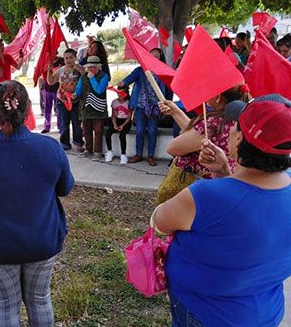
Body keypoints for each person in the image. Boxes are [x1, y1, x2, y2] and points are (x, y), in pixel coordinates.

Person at [152, 94, 291, 326]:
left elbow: (159, 221)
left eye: (236, 126)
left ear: (238, 140)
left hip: (205, 312)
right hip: (265, 311)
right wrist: (224, 172)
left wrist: (221, 181)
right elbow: (249, 207)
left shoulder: (206, 196)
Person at [0, 81, 75, 327]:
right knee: (40, 300)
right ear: (28, 107)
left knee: (5, 305)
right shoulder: (50, 147)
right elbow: (65, 188)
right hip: (43, 242)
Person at [156, 84, 250, 204]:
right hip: (222, 183)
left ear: (218, 97)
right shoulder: (234, 118)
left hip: (195, 186)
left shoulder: (213, 123)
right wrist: (176, 112)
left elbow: (172, 148)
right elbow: (195, 134)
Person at [119, 47, 166, 166]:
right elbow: (129, 78)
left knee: (152, 131)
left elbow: (166, 91)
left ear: (160, 58)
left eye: (157, 55)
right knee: (139, 131)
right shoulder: (140, 70)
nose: (154, 57)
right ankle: (138, 154)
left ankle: (151, 156)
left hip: (155, 107)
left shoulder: (161, 72)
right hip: (140, 106)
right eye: (152, 55)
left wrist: (166, 104)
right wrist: (123, 83)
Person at [46, 48, 84, 151]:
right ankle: (65, 143)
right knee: (64, 123)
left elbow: (87, 78)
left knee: (76, 123)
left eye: (71, 57)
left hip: (75, 100)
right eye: (66, 58)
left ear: (75, 58)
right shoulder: (61, 70)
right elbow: (51, 82)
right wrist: (49, 72)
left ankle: (78, 142)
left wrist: (80, 69)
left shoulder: (79, 69)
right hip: (62, 100)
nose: (69, 60)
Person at [75, 55, 109, 160]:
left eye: (93, 67)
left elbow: (99, 90)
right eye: (89, 67)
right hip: (85, 108)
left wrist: (93, 79)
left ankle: (97, 152)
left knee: (98, 130)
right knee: (86, 130)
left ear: (98, 67)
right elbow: (78, 90)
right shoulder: (83, 77)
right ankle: (88, 149)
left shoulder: (104, 76)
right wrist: (75, 94)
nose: (90, 69)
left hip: (98, 108)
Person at [105, 86, 131, 164]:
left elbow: (129, 117)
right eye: (118, 93)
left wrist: (123, 125)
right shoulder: (114, 102)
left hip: (126, 121)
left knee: (122, 135)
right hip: (116, 120)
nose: (120, 95)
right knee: (108, 134)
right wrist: (114, 124)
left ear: (126, 94)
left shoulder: (129, 103)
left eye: (122, 93)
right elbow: (113, 115)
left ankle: (123, 155)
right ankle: (110, 151)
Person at [40, 57, 62, 133]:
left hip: (58, 89)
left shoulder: (61, 61)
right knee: (47, 108)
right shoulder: (44, 61)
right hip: (46, 88)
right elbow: (42, 74)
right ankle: (46, 126)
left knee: (59, 109)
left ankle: (60, 126)